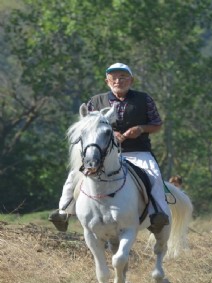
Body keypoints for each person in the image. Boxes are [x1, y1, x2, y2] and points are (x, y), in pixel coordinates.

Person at [49, 63, 170, 233]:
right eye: (113, 77)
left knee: (154, 176)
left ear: (131, 80)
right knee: (74, 175)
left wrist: (141, 129)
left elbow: (157, 125)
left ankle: (158, 213)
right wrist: (111, 133)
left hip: (137, 151)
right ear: (107, 81)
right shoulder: (95, 101)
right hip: (104, 155)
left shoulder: (144, 99)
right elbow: (86, 126)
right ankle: (63, 212)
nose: (118, 80)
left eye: (122, 77)